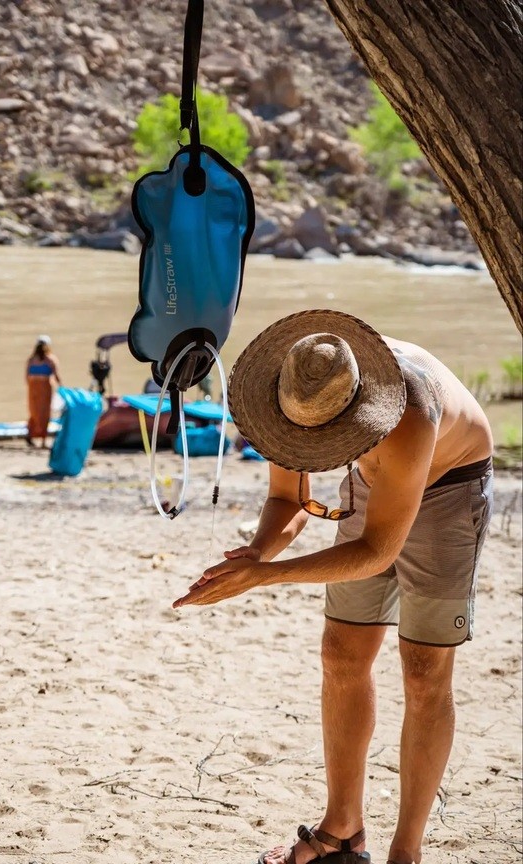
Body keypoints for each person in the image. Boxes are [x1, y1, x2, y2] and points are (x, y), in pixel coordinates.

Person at [173, 309, 494, 864]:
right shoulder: (286, 388)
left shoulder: (408, 409)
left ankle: (406, 852)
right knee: (341, 654)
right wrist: (253, 555)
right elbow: (288, 501)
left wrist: (266, 577)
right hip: (377, 479)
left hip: (448, 483)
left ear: (357, 414)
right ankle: (343, 831)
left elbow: (376, 552)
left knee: (423, 670)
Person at [25, 334, 61, 448]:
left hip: (33, 388)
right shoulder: (50, 359)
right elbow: (56, 376)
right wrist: (62, 388)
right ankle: (43, 441)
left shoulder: (31, 359)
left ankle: (30, 435)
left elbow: (26, 377)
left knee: (34, 413)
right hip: (44, 388)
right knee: (45, 414)